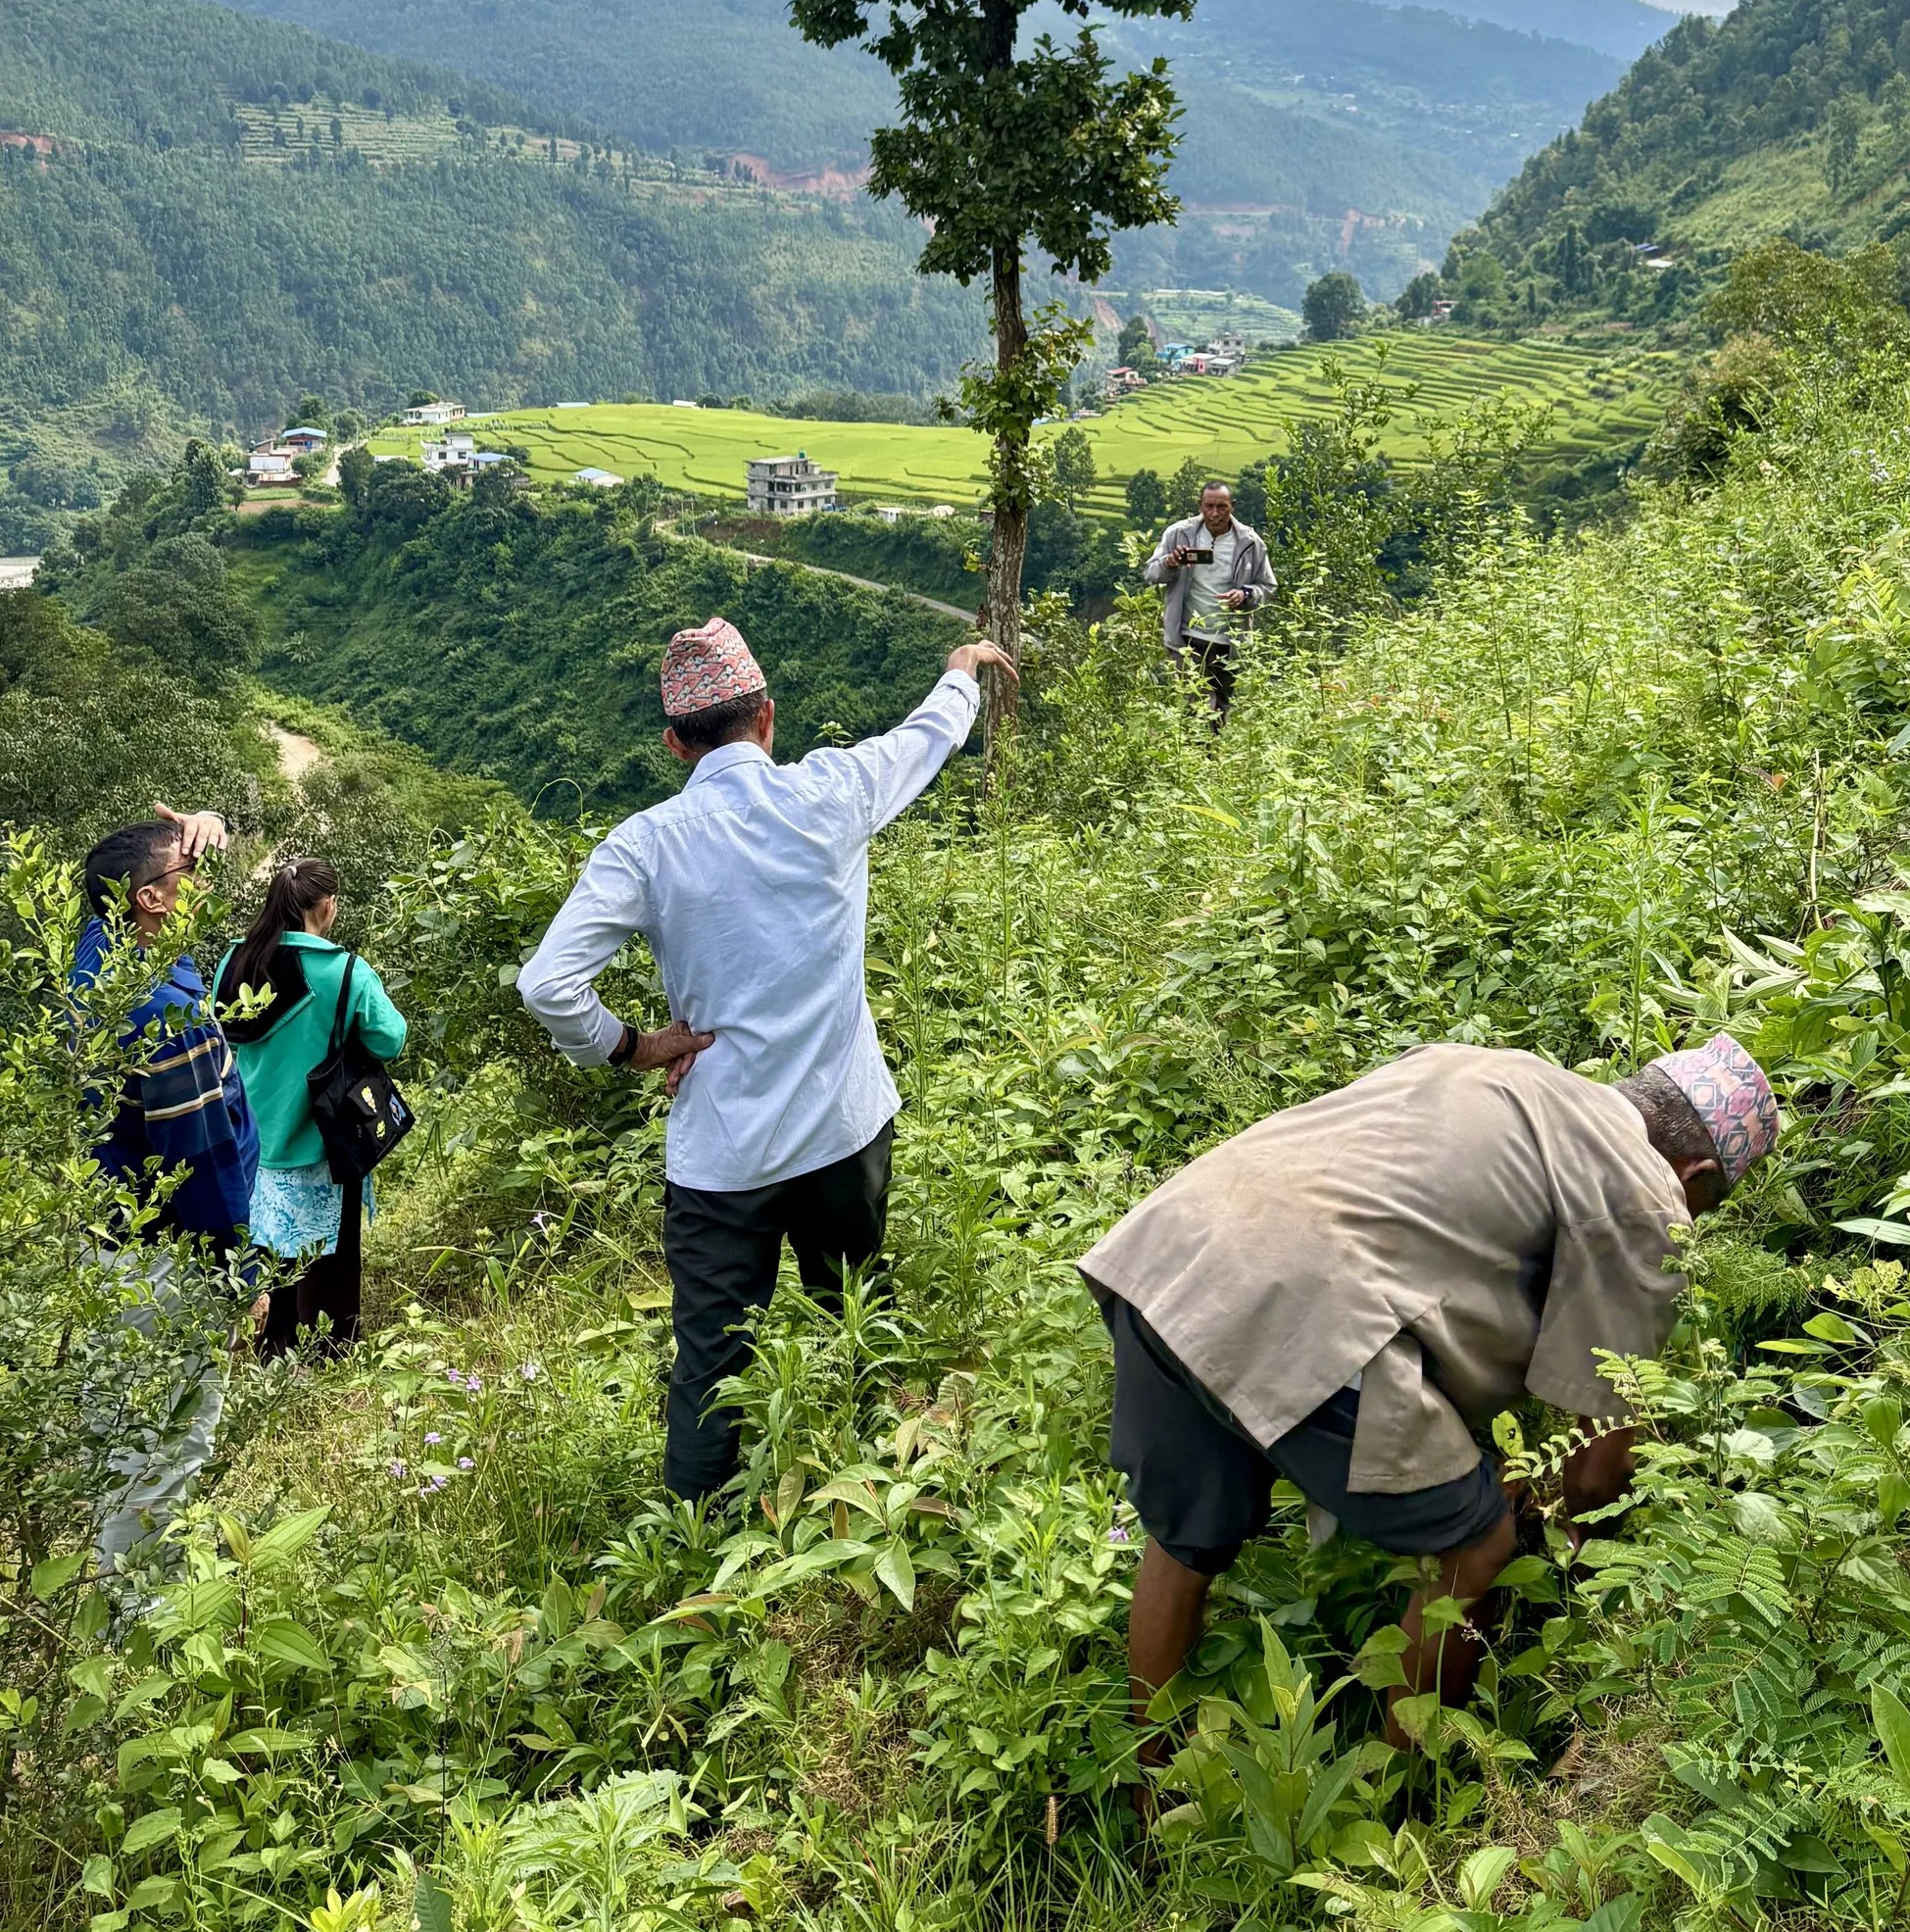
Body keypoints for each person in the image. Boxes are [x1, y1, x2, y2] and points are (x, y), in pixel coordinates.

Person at [1077, 1033, 1780, 1761]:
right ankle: (1403, 1801)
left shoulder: (1493, 1066)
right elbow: (1599, 1468)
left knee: (1183, 1539)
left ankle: (1149, 1793)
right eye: (1707, 1205)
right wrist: (1579, 1556)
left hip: (1172, 1250)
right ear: (1693, 1172)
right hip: (1308, 1299)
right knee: (1475, 1547)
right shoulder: (1645, 1189)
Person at [515, 616, 1016, 1500]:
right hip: (843, 1127)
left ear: (675, 744)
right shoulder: (833, 790)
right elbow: (929, 734)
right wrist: (960, 668)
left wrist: (633, 1045)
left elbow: (549, 983)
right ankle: (901, 1486)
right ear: (769, 717)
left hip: (724, 1158)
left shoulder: (646, 843)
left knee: (711, 1365)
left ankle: (695, 1553)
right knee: (858, 1308)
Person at [71, 805, 260, 1576]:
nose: (204, 886)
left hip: (110, 1244)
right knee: (171, 1443)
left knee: (123, 1435)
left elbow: (162, 894)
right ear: (152, 899)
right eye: (190, 877)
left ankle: (110, 1598)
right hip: (168, 1263)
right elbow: (206, 1160)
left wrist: (205, 825)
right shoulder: (167, 1016)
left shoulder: (100, 955)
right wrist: (241, 1275)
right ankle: (137, 1629)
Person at [212, 856, 409, 1356]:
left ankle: (267, 1347)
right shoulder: (343, 971)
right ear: (328, 905)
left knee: (262, 1250)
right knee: (326, 1258)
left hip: (249, 1140)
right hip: (321, 1139)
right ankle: (326, 1354)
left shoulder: (235, 961)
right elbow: (390, 1040)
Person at [1146, 480, 1276, 721]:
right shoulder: (1179, 534)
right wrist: (1170, 563)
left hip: (1229, 639)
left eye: (1221, 507)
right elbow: (1151, 574)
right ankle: (1197, 754)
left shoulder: (1249, 542)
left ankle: (1209, 756)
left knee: (1220, 707)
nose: (1215, 513)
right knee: (1196, 704)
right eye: (1209, 506)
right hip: (1186, 636)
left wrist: (1245, 594)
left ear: (1232, 507)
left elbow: (1267, 586)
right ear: (1200, 506)